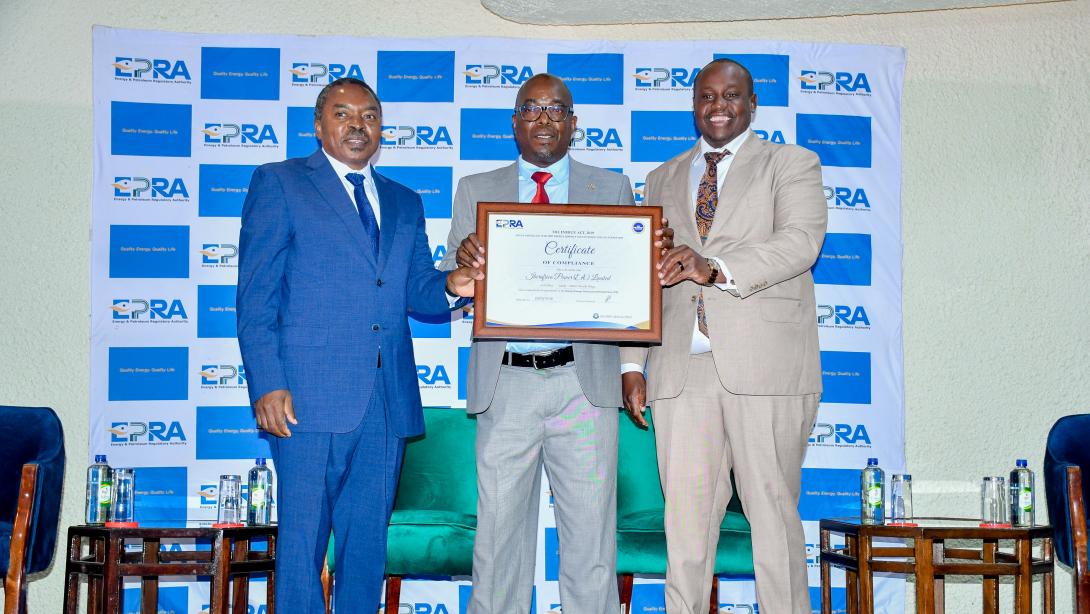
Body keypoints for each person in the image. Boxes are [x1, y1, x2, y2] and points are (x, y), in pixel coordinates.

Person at [236, 77, 480, 613]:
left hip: (385, 403)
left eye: (369, 116)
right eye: (343, 114)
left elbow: (418, 287)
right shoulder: (279, 183)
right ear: (318, 124)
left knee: (366, 550)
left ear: (381, 128)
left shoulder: (403, 201)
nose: (357, 125)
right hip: (304, 400)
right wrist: (268, 383)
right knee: (300, 549)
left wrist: (452, 283)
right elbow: (256, 299)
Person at [444, 73, 666, 614]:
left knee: (591, 538)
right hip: (507, 382)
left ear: (574, 124)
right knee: (497, 540)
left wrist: (650, 255)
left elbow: (630, 286)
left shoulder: (611, 187)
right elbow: (452, 283)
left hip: (583, 383)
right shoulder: (475, 190)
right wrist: (465, 269)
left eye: (556, 109)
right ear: (515, 122)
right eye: (532, 108)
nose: (544, 118)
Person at [620, 58, 827, 614]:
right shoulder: (662, 177)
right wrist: (631, 363)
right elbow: (647, 276)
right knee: (684, 526)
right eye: (707, 96)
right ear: (694, 105)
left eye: (731, 95)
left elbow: (801, 243)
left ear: (752, 104)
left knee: (773, 517)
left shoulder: (791, 163)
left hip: (767, 369)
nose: (718, 106)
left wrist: (712, 266)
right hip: (680, 370)